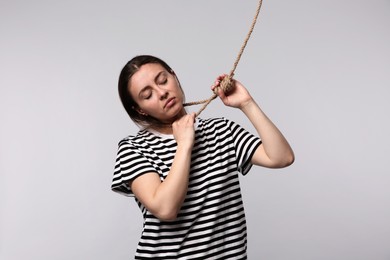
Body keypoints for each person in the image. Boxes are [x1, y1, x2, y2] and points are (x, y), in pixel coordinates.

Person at [111, 55, 294, 259]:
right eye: (147, 95)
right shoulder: (133, 148)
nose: (162, 93)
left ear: (174, 76)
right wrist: (184, 145)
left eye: (163, 80)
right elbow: (166, 208)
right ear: (140, 110)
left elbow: (281, 157)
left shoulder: (221, 130)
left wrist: (246, 103)